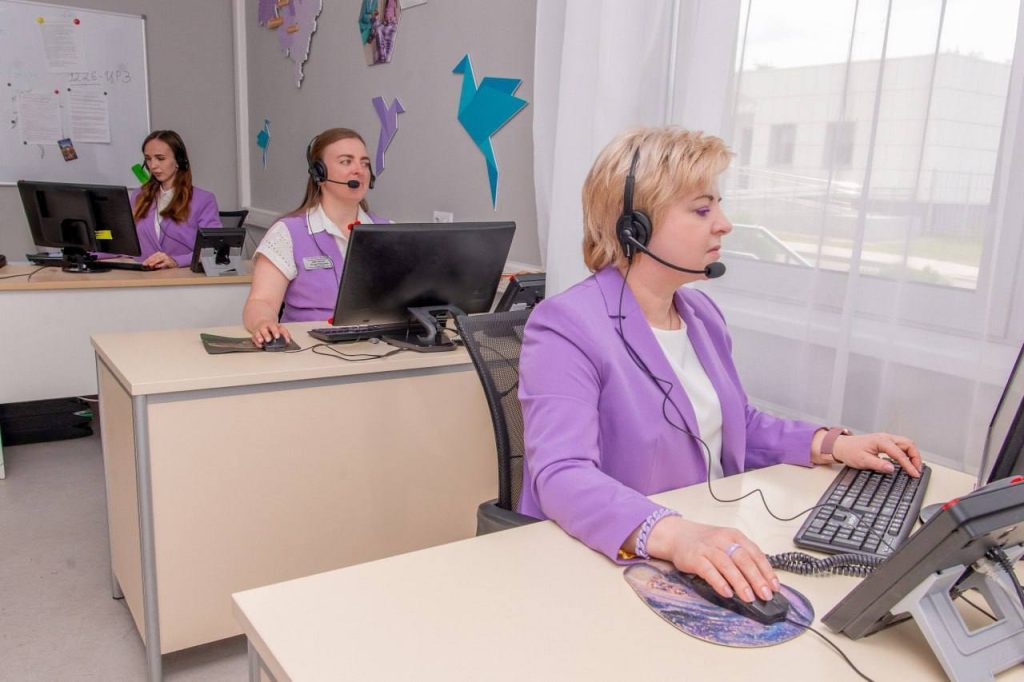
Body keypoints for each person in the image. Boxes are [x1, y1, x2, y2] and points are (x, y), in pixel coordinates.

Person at [517, 126, 922, 606]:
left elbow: (735, 423)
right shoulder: (566, 325)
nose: (724, 224)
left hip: (703, 542)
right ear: (634, 228)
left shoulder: (701, 314)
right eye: (702, 209)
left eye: (719, 207)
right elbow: (562, 474)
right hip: (612, 560)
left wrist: (832, 444)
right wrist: (674, 534)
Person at [243, 127, 387, 345]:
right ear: (319, 173)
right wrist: (263, 322)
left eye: (365, 163)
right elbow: (261, 301)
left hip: (380, 350)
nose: (359, 170)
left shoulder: (387, 231)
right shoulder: (287, 232)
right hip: (310, 351)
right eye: (346, 161)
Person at [131, 130, 221, 269]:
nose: (153, 165)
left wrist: (176, 261)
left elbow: (214, 248)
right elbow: (122, 241)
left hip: (181, 277)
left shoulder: (203, 200)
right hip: (143, 275)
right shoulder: (139, 196)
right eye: (148, 159)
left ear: (179, 161)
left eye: (160, 158)